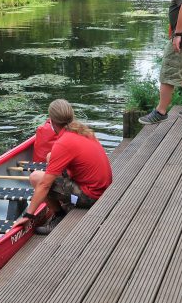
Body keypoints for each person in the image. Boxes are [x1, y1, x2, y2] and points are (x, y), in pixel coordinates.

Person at [14, 99, 113, 235]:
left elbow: (44, 185)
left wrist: (28, 216)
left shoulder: (63, 143)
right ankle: (68, 201)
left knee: (36, 178)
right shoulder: (82, 130)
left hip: (92, 196)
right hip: (103, 188)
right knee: (50, 156)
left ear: (52, 121)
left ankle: (59, 215)